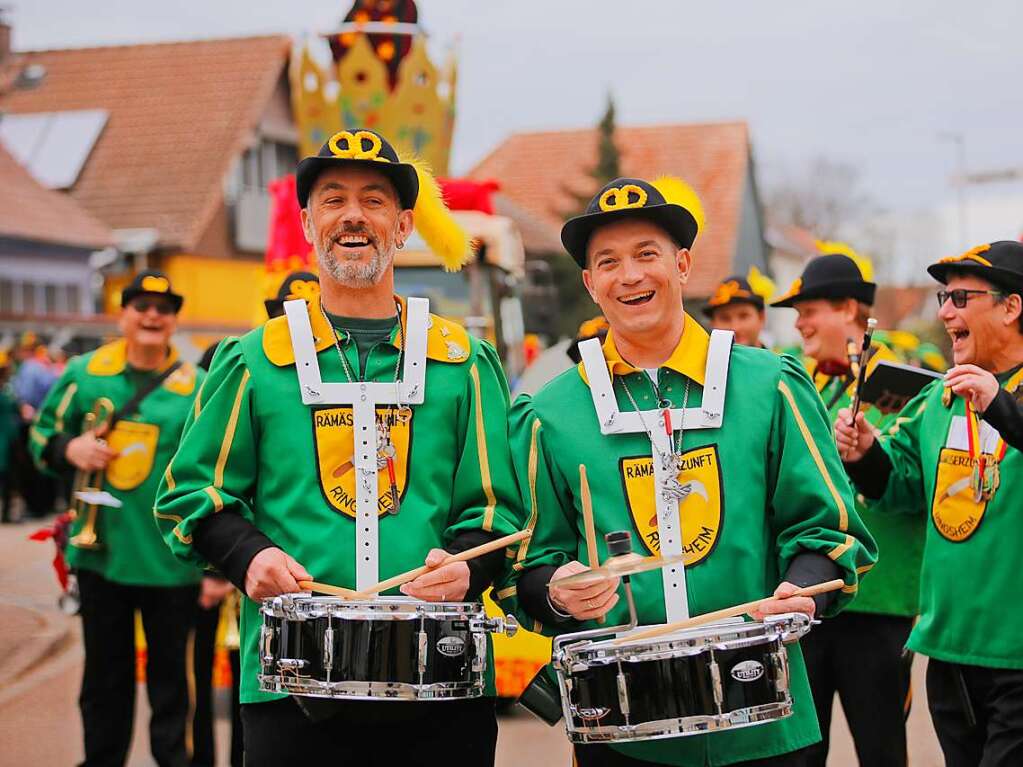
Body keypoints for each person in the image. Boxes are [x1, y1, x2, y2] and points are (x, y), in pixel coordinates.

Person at [154, 128, 521, 767]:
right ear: (306, 223)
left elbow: (498, 511)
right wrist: (250, 557)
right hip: (291, 684)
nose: (353, 215)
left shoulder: (464, 360)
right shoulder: (251, 359)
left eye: (375, 200)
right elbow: (190, 497)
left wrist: (469, 567)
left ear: (404, 225)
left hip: (442, 678)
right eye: (333, 200)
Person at [508, 176, 876, 766]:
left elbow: (829, 530)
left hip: (762, 717)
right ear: (589, 283)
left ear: (682, 264)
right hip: (622, 727)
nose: (629, 276)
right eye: (608, 262)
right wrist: (556, 593)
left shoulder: (770, 385)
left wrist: (801, 591)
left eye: (646, 255)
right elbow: (527, 563)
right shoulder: (549, 413)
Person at [836, 240, 1023, 766]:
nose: (944, 311)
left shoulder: (990, 393)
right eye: (944, 296)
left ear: (1012, 307)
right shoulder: (938, 398)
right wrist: (866, 452)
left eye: (962, 297)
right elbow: (899, 489)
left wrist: (1001, 407)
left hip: (1017, 653)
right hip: (948, 648)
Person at [30, 270, 205, 767]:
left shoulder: (199, 385)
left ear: (174, 320)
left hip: (172, 562)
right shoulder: (85, 373)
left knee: (173, 682)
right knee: (105, 677)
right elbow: (40, 440)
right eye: (141, 305)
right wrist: (72, 448)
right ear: (122, 313)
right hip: (101, 555)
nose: (153, 315)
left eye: (164, 308)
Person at [770, 244, 923, 767]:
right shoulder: (805, 386)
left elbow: (911, 481)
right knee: (803, 753)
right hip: (809, 603)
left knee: (882, 751)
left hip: (879, 605)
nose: (800, 326)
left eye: (809, 312)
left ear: (849, 311)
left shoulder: (908, 386)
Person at [702, 267, 774, 348]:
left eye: (744, 316)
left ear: (761, 317)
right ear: (712, 323)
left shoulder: (777, 360)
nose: (735, 328)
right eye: (725, 318)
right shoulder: (701, 360)